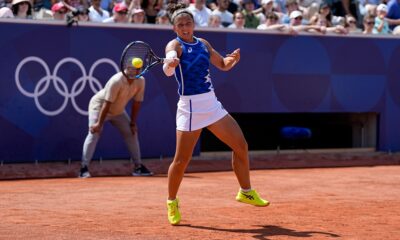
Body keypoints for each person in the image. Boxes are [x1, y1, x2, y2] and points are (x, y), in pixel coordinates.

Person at [163, 2, 269, 226]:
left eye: (188, 23)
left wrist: (233, 60)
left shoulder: (203, 43)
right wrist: (170, 63)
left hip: (211, 105)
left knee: (241, 146)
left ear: (194, 24)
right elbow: (168, 68)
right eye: (180, 25)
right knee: (181, 161)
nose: (185, 27)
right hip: (190, 108)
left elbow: (222, 64)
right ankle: (172, 202)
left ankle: (245, 191)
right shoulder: (175, 45)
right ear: (174, 28)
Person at [79, 60, 153, 178]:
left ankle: (138, 167)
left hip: (118, 111)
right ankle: (84, 168)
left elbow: (137, 103)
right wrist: (99, 123)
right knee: (94, 133)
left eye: (137, 69)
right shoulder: (116, 81)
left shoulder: (141, 81)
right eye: (132, 68)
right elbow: (106, 104)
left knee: (131, 132)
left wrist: (133, 123)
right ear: (126, 68)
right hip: (99, 107)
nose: (134, 71)